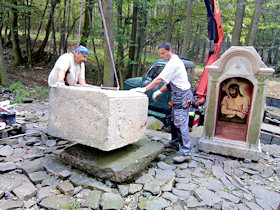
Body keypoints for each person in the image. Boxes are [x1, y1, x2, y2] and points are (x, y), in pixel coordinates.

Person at [130, 42, 193, 163]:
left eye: (164, 53)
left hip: (182, 96)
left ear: (170, 50)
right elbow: (169, 82)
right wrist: (160, 91)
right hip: (176, 95)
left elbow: (160, 79)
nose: (162, 56)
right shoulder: (172, 62)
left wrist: (145, 89)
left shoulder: (174, 63)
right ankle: (175, 143)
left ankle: (185, 152)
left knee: (181, 123)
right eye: (160, 54)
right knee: (174, 121)